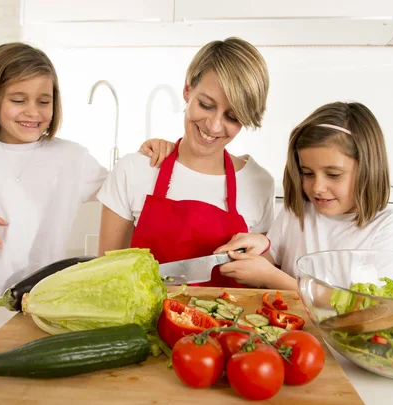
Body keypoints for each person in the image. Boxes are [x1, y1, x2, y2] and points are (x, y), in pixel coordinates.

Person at [0, 42, 174, 295]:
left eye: (43, 101)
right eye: (18, 100)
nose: (33, 112)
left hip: (36, 286)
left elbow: (123, 188)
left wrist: (152, 151)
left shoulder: (72, 157)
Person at [97, 37, 275, 287]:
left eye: (232, 117)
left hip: (228, 325)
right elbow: (105, 278)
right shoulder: (134, 170)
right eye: (206, 105)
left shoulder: (259, 183)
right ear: (187, 90)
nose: (213, 126)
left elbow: (259, 285)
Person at [215, 102, 393, 289]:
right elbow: (272, 263)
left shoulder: (391, 228)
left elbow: (368, 310)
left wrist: (271, 278)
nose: (317, 187)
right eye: (307, 173)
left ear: (367, 170)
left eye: (333, 175)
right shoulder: (298, 212)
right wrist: (261, 247)